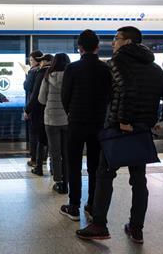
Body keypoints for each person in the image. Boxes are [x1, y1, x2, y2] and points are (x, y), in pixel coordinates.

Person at [76, 26, 163, 243]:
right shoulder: (154, 68)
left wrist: (124, 121)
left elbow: (126, 90)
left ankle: (100, 225)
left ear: (129, 42)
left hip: (119, 130)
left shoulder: (116, 63)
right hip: (142, 131)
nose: (113, 42)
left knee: (104, 175)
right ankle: (136, 228)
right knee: (139, 181)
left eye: (117, 38)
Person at [60, 30, 112, 221]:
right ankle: (91, 205)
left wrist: (71, 112)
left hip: (76, 122)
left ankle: (74, 206)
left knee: (73, 164)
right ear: (97, 47)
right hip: (98, 124)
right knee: (94, 166)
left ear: (79, 47)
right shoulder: (106, 69)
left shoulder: (72, 69)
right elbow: (110, 96)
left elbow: (65, 96)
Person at [38, 53, 71, 193]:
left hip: (51, 120)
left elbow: (41, 99)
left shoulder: (47, 76)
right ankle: (67, 180)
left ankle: (58, 181)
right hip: (67, 119)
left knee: (55, 152)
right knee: (66, 151)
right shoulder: (71, 76)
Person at [25, 53, 53, 176]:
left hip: (41, 111)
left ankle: (38, 165)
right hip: (59, 115)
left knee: (40, 138)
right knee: (55, 141)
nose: (39, 63)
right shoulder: (64, 74)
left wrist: (27, 109)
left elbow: (36, 94)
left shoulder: (40, 74)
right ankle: (55, 169)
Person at [23, 50, 43, 167]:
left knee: (33, 133)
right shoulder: (44, 70)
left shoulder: (32, 71)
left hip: (33, 106)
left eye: (31, 60)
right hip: (42, 106)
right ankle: (43, 157)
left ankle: (34, 158)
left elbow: (27, 87)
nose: (30, 62)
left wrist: (26, 73)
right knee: (42, 133)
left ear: (36, 60)